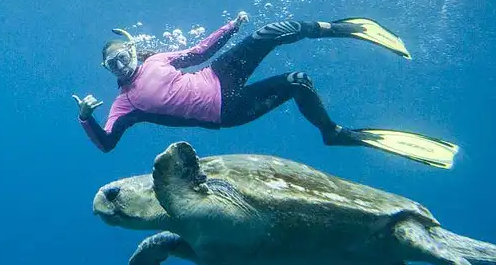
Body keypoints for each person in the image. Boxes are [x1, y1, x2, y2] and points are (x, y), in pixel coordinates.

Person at [71, 12, 459, 169]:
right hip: (227, 112)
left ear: (132, 50)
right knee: (297, 83)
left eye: (122, 56)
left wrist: (232, 27)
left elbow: (199, 52)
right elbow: (107, 145)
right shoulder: (126, 104)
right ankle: (335, 134)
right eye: (112, 65)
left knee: (269, 33)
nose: (121, 65)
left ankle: (341, 28)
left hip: (218, 76)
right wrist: (86, 118)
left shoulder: (156, 60)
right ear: (108, 71)